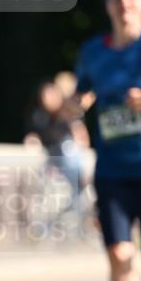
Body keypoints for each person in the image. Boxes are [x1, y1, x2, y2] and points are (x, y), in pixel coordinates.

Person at [73, 0, 141, 281]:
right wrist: (77, 104)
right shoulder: (92, 51)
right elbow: (81, 93)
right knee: (120, 256)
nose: (125, 3)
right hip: (113, 173)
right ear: (107, 5)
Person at [23, 75, 89, 212]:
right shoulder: (39, 116)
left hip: (69, 159)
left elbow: (80, 135)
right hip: (52, 159)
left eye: (51, 95)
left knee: (68, 152)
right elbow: (35, 135)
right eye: (45, 96)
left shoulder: (68, 112)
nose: (48, 99)